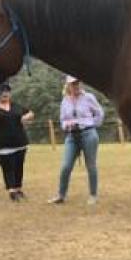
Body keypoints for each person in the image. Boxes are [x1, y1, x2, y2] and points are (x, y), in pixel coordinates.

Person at [49, 75, 104, 205]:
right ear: (68, 86)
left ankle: (93, 195)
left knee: (91, 165)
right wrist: (66, 125)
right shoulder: (65, 100)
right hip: (71, 136)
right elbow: (63, 119)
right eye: (73, 84)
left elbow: (99, 113)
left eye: (77, 83)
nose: (76, 86)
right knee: (65, 166)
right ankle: (61, 195)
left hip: (88, 134)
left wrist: (90, 125)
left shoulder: (88, 97)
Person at [0, 83, 34, 201]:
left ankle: (18, 188)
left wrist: (26, 117)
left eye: (7, 91)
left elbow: (31, 113)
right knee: (7, 167)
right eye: (2, 91)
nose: (5, 93)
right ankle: (11, 190)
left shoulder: (16, 106)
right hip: (1, 145)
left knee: (19, 166)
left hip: (19, 142)